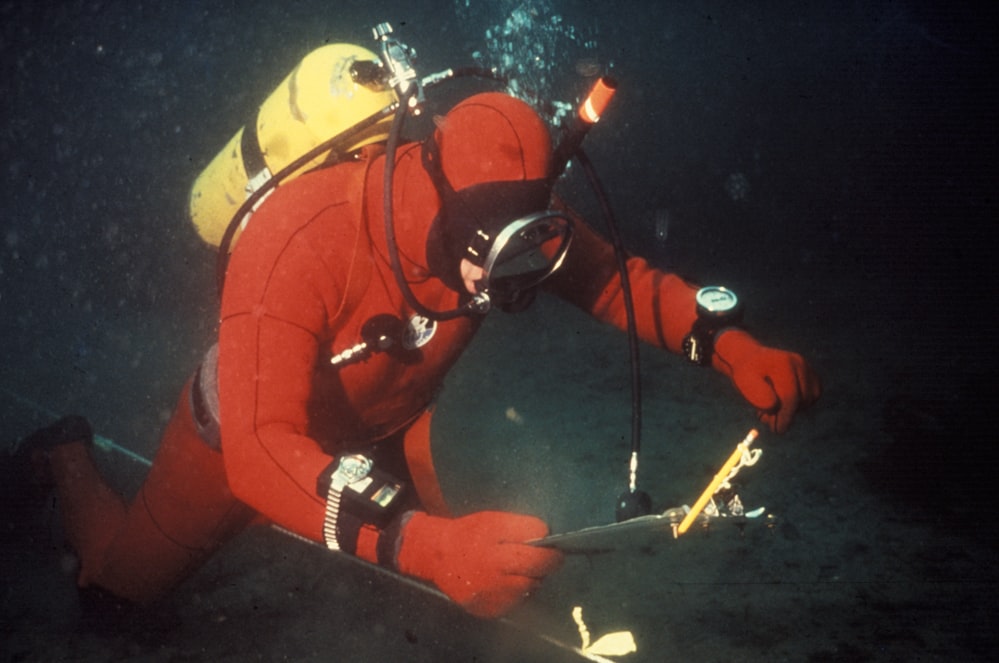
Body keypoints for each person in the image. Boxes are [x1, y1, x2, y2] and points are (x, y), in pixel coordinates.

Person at [16, 92, 820, 620]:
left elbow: (613, 282)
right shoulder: (302, 235)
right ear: (451, 219)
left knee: (495, 578)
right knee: (114, 598)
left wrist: (727, 343)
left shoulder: (511, 223)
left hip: (389, 421)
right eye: (501, 260)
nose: (516, 286)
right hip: (239, 438)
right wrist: (423, 544)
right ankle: (65, 453)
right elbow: (260, 450)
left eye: (536, 250)